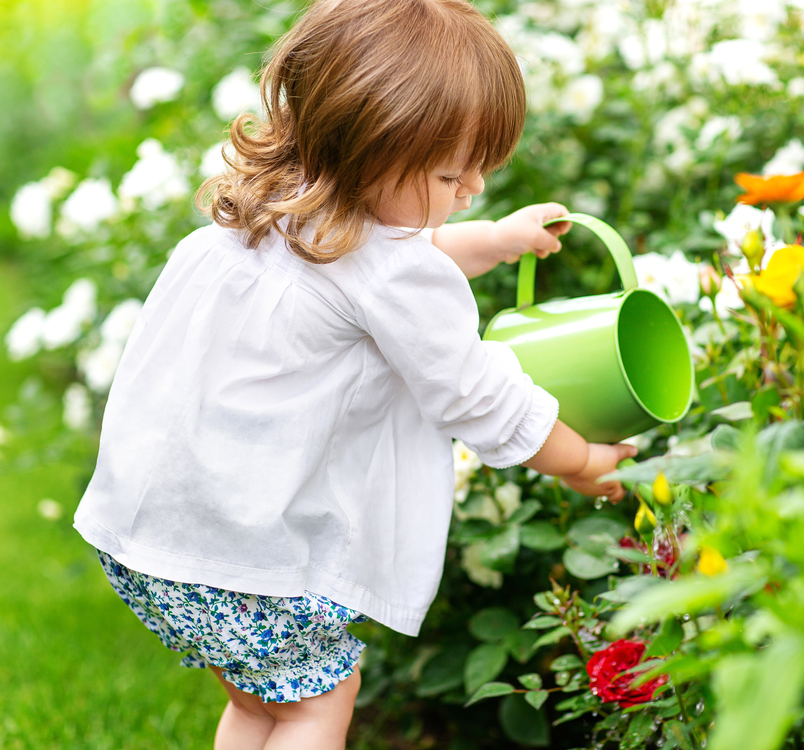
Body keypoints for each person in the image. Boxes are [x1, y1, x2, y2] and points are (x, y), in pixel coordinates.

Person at [73, 0, 635, 747]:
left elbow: (391, 258)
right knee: (320, 703)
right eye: (450, 173)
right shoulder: (386, 270)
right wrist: (579, 459)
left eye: (480, 172)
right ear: (368, 147)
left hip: (156, 536)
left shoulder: (270, 210)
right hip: (248, 561)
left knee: (260, 703)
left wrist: (491, 241)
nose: (471, 190)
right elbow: (477, 394)